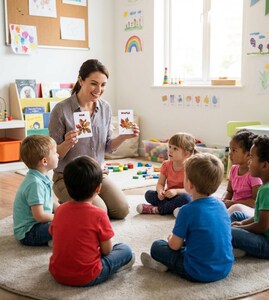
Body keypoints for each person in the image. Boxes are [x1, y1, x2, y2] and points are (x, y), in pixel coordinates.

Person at [48, 59, 139, 219]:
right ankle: (65, 206)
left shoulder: (105, 108)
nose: (99, 89)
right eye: (94, 83)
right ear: (81, 80)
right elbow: (54, 155)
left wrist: (124, 137)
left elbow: (108, 147)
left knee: (122, 209)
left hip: (97, 175)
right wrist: (68, 143)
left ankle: (74, 208)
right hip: (68, 177)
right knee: (99, 213)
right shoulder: (61, 110)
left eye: (103, 85)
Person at [141, 153, 234, 282]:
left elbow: (174, 246)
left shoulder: (187, 210)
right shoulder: (221, 205)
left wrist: (170, 239)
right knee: (196, 241)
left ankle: (164, 265)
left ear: (189, 184)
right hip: (224, 267)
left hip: (197, 271)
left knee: (157, 246)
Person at [49, 156, 135, 286]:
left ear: (66, 185)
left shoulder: (60, 210)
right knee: (125, 250)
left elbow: (55, 237)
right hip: (87, 276)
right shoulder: (99, 214)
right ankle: (117, 267)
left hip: (57, 273)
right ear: (98, 189)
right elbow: (106, 250)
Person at [13, 135, 59, 246]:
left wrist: (64, 210)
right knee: (66, 224)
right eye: (55, 152)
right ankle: (55, 239)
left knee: (67, 216)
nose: (58, 155)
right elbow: (40, 216)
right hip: (29, 232)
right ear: (44, 161)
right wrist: (61, 217)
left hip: (38, 224)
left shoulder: (43, 176)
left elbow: (50, 202)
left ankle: (55, 237)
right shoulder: (35, 183)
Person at [136, 132, 195, 216]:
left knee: (186, 199)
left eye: (175, 149)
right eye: (170, 147)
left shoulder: (191, 168)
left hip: (183, 195)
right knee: (149, 194)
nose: (170, 150)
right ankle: (175, 209)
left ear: (186, 154)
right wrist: (160, 191)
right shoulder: (166, 165)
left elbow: (191, 190)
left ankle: (156, 210)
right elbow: (160, 183)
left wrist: (176, 191)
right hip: (168, 197)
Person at [223, 129, 262, 217]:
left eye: (234, 150)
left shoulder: (254, 175)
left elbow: (255, 202)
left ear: (248, 154)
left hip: (248, 211)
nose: (230, 154)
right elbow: (229, 191)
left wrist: (233, 203)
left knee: (237, 208)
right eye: (230, 150)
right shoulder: (233, 169)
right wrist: (224, 202)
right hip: (234, 207)